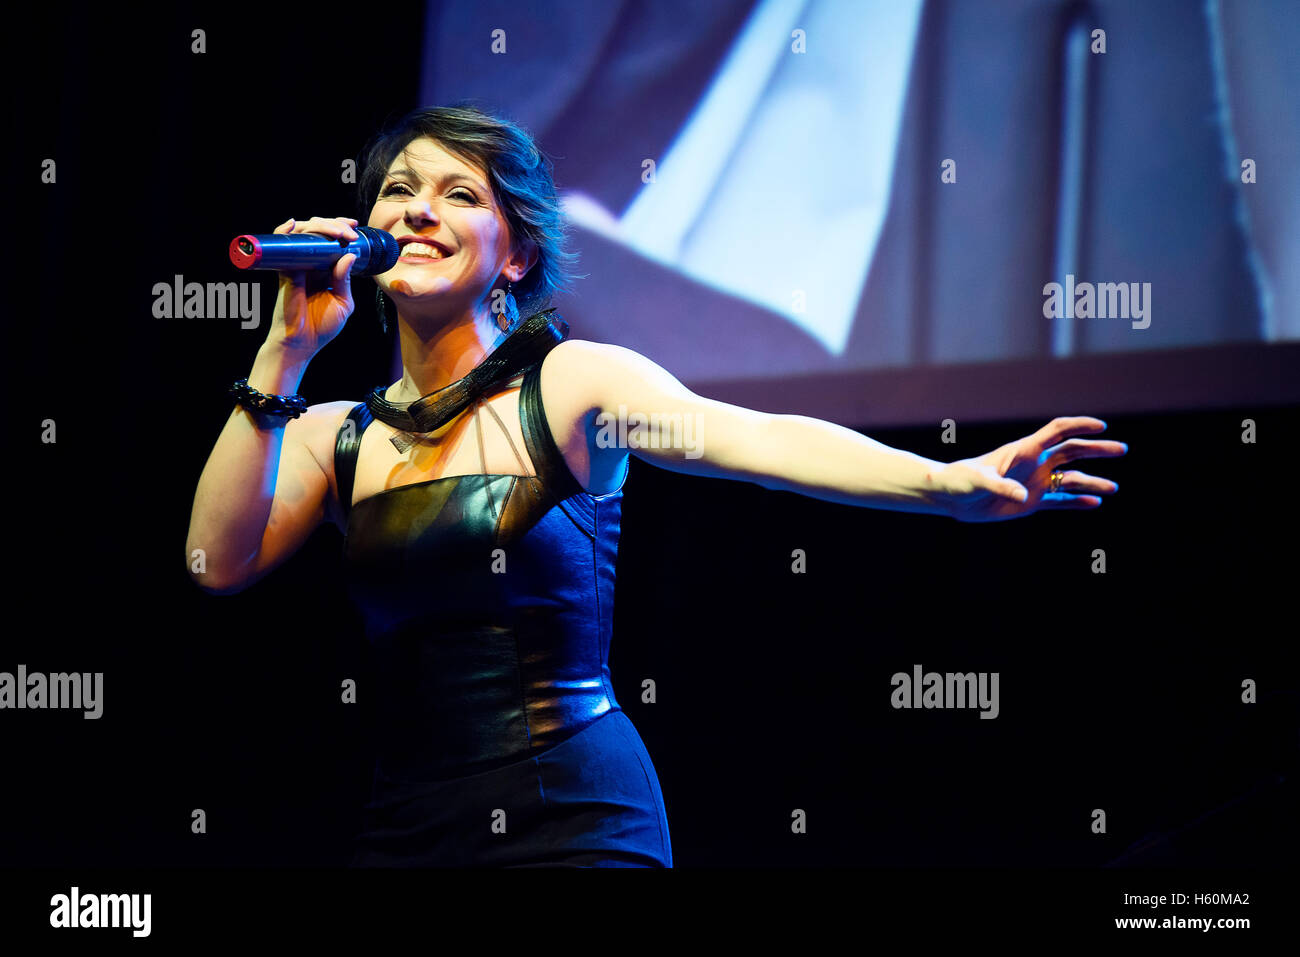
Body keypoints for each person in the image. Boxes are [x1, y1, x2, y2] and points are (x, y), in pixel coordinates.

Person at [184, 105, 1127, 867]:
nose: (416, 210)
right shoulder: (327, 435)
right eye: (397, 191)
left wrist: (948, 481)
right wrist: (284, 350)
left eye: (456, 193)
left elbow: (752, 437)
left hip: (575, 818)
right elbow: (214, 562)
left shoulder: (575, 387)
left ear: (514, 255)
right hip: (405, 826)